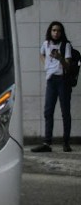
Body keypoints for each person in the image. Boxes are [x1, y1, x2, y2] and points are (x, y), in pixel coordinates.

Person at [32, 21, 73, 153]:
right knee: (48, 111)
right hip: (51, 80)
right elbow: (41, 53)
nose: (56, 33)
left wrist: (60, 58)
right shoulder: (46, 44)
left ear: (62, 33)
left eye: (59, 31)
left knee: (65, 112)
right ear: (50, 31)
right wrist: (46, 65)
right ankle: (47, 143)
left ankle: (66, 142)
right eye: (54, 30)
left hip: (62, 81)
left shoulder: (66, 45)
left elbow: (68, 66)